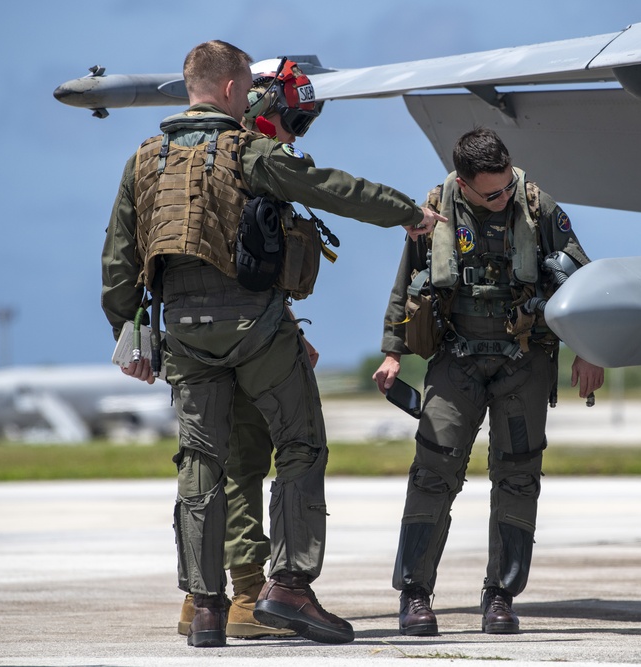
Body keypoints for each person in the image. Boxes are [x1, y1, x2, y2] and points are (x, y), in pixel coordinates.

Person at [101, 40, 443, 649]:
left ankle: (206, 608)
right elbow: (332, 187)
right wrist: (407, 213)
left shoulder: (143, 160)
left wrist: (130, 337)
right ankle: (288, 586)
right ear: (234, 89)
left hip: (180, 332)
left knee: (200, 463)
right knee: (301, 445)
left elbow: (119, 263)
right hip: (254, 328)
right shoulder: (247, 151)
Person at [371, 127, 605, 636]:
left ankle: (500, 595)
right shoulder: (434, 209)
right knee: (432, 470)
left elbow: (580, 277)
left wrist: (590, 350)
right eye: (491, 193)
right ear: (464, 181)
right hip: (456, 358)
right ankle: (415, 594)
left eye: (505, 188)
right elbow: (405, 278)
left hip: (524, 360)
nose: (502, 199)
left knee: (518, 475)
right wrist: (392, 352)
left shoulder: (539, 207)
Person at [176, 60, 321, 642]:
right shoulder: (248, 162)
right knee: (247, 460)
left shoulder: (198, 163)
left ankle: (198, 598)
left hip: (209, 333)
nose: (294, 135)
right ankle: (244, 595)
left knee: (212, 459)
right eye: (292, 121)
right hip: (242, 343)